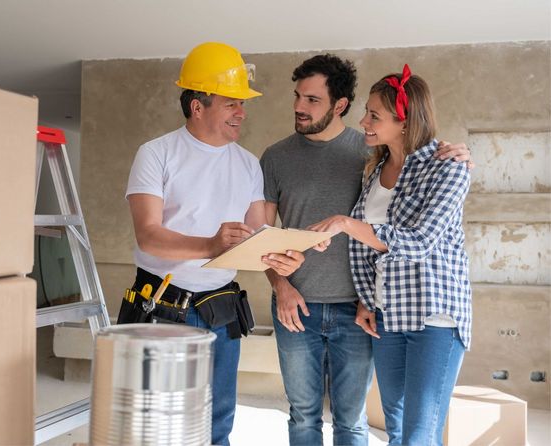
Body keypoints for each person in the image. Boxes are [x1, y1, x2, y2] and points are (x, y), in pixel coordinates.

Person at [260, 54, 471, 446]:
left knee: (394, 429)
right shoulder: (372, 166)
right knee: (355, 423)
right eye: (297, 96)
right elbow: (267, 236)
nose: (298, 107)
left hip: (424, 313)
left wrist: (344, 226)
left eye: (312, 99)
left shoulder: (402, 158)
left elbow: (418, 239)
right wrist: (283, 284)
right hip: (372, 314)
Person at [125, 42, 304, 446]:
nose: (241, 112)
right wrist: (210, 245)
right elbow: (148, 234)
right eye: (230, 103)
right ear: (197, 107)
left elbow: (259, 234)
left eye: (242, 103)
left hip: (220, 309)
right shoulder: (156, 154)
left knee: (217, 422)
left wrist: (284, 255)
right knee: (157, 427)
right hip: (163, 308)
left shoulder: (246, 164)